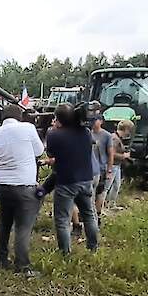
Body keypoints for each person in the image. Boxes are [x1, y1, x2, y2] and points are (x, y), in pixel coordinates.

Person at [0, 105, 45, 276]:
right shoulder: (27, 128)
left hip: (3, 185)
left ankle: (1, 258)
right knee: (23, 227)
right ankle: (22, 266)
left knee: (4, 223)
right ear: (19, 116)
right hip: (24, 185)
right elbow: (39, 151)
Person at [45, 103, 99, 254]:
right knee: (89, 214)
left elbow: (51, 154)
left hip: (66, 181)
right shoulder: (86, 132)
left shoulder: (54, 134)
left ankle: (65, 252)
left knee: (62, 219)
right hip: (86, 179)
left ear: (58, 118)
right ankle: (93, 248)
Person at [89, 113, 114, 218]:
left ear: (101, 121)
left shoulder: (107, 136)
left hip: (102, 167)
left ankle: (98, 214)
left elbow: (110, 153)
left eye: (96, 120)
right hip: (90, 169)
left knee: (100, 192)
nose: (94, 122)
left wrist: (109, 169)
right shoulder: (88, 134)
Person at [105, 119, 133, 209]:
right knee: (106, 187)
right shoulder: (114, 139)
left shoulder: (118, 138)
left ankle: (111, 204)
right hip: (112, 165)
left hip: (117, 165)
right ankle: (102, 207)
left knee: (116, 185)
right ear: (126, 129)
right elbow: (111, 153)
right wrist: (123, 156)